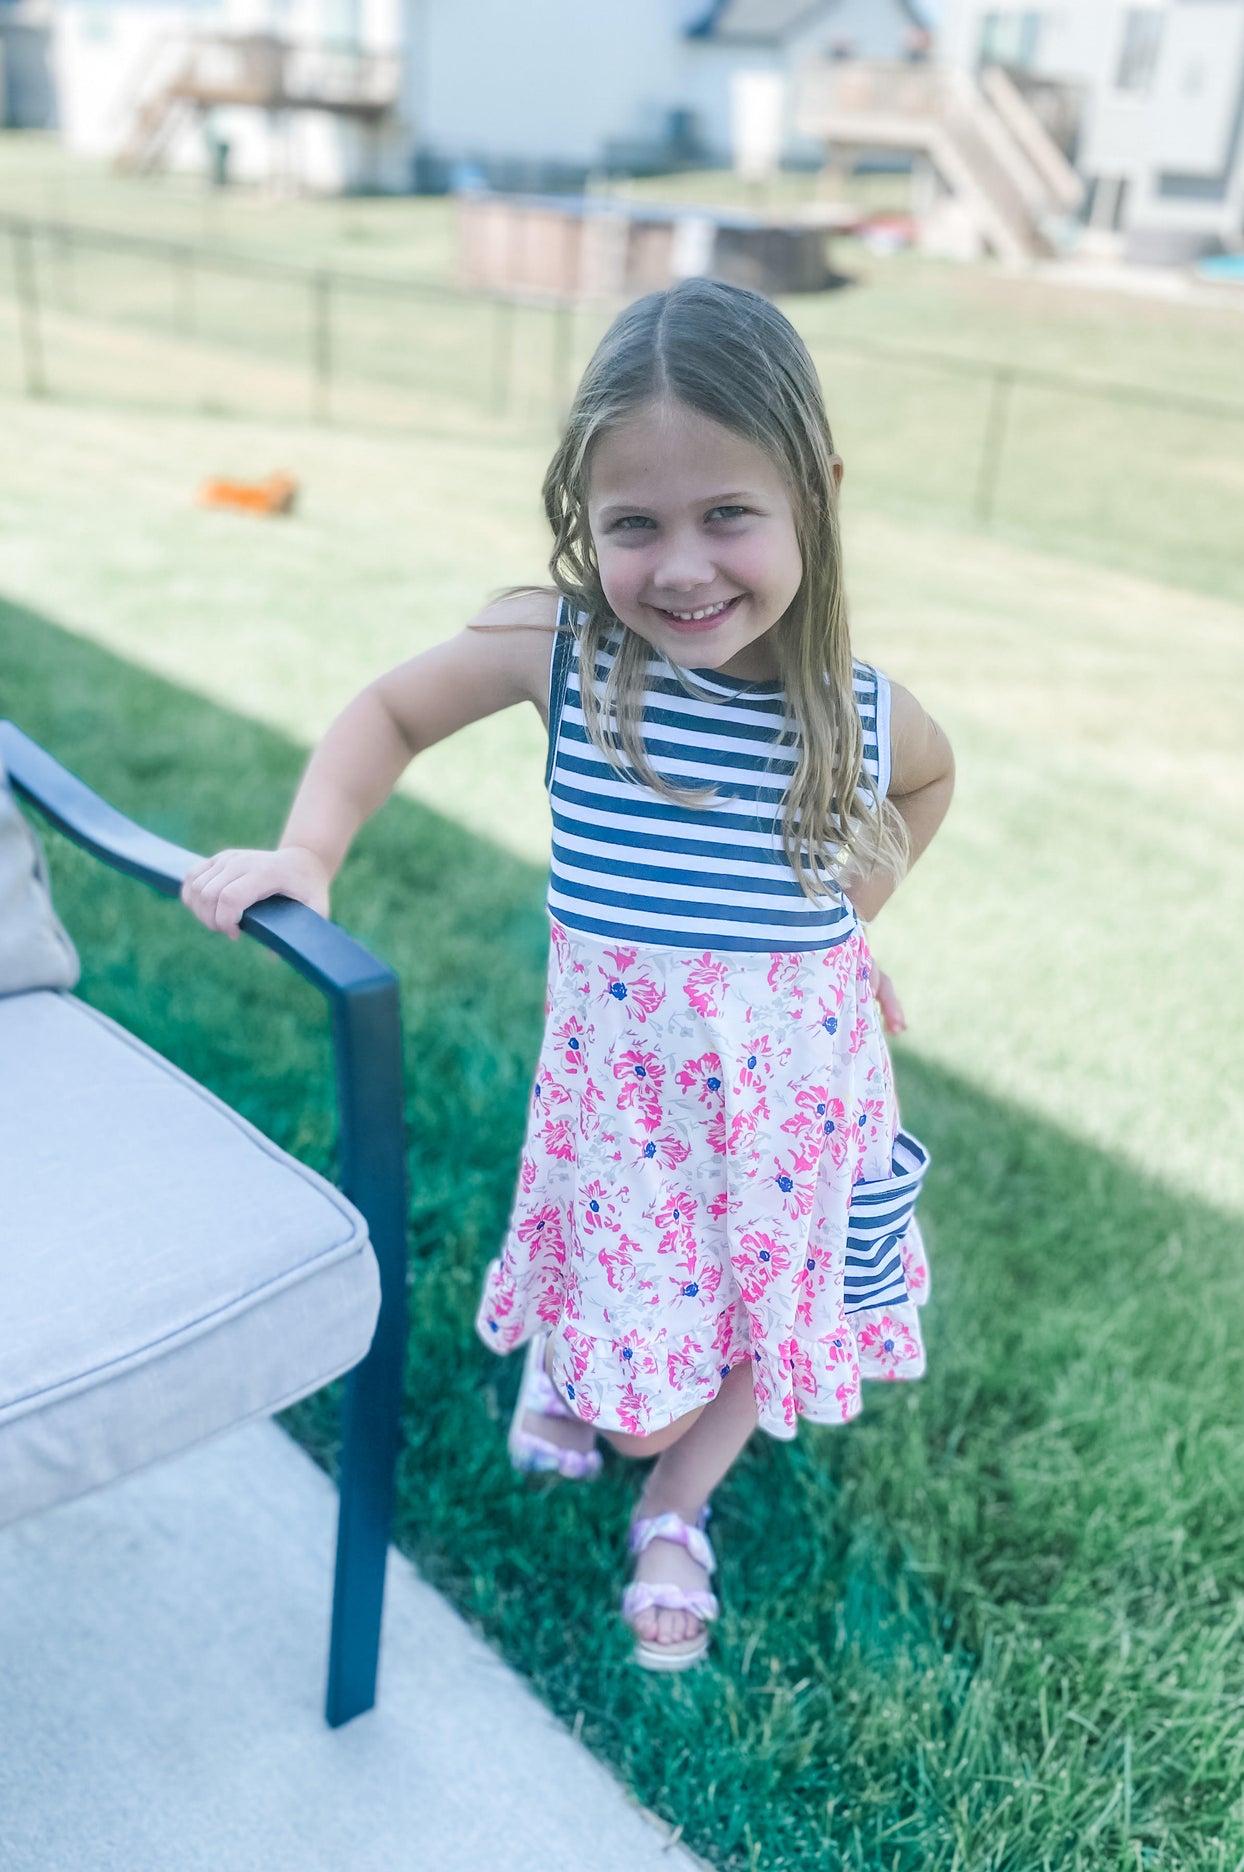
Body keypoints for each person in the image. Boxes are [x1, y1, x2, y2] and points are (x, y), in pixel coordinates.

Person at [181, 277, 955, 1672]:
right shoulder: (571, 651)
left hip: (791, 1096)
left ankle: (674, 1508)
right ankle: (577, 1378)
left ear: (815, 496)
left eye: (728, 513)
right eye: (632, 523)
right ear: (581, 519)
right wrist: (310, 849)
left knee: (754, 1321)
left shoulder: (858, 703)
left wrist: (849, 922)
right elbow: (389, 709)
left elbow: (929, 781)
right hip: (629, 1103)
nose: (681, 566)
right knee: (627, 1362)